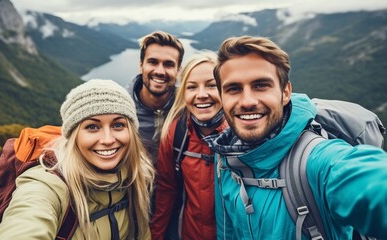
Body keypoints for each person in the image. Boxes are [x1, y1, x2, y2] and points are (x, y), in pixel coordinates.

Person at [205, 35, 387, 239]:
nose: (247, 101)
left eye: (261, 85)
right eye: (234, 89)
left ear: (285, 93)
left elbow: (372, 183)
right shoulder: (225, 156)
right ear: (221, 97)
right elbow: (226, 232)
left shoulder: (316, 161)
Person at [0, 79, 155, 240]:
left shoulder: (136, 175)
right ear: (73, 136)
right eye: (92, 127)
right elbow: (26, 221)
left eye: (118, 125)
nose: (108, 139)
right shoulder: (49, 185)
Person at [150, 51, 228, 240]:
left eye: (211, 85)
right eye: (192, 87)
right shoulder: (176, 133)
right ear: (183, 94)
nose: (201, 95)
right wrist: (155, 236)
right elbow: (167, 190)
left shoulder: (243, 134)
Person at [128, 30, 185, 165]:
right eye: (153, 62)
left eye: (168, 64)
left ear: (178, 71)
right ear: (141, 66)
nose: (160, 71)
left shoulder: (188, 107)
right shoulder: (121, 110)